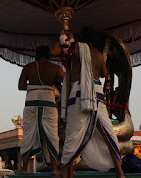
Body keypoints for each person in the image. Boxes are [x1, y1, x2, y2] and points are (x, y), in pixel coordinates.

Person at [57, 28, 125, 178]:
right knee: (108, 133)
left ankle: (63, 172)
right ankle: (119, 171)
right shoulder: (100, 55)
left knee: (73, 135)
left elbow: (61, 49)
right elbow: (103, 73)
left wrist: (64, 35)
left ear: (81, 38)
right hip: (97, 93)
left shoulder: (76, 49)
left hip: (80, 92)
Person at [18, 45, 65, 175]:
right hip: (49, 102)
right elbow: (65, 82)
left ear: (37, 54)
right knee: (52, 135)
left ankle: (24, 169)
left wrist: (34, 86)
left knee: (28, 134)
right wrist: (53, 87)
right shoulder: (55, 68)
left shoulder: (28, 67)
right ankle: (55, 168)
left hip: (31, 101)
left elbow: (21, 86)